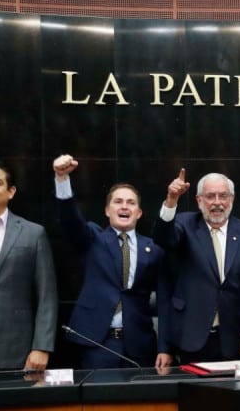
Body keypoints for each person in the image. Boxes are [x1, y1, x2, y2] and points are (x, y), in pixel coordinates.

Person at [53, 154, 172, 370]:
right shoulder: (93, 238)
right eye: (118, 202)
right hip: (97, 343)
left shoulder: (154, 249)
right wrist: (62, 179)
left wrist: (164, 347)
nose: (124, 207)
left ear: (139, 213)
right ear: (107, 211)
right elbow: (70, 221)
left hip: (140, 345)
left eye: (131, 203)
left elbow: (164, 301)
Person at [153, 168, 240, 363]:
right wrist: (171, 200)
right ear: (199, 201)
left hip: (237, 341)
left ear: (232, 199)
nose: (217, 202)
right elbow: (163, 237)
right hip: (192, 340)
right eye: (210, 196)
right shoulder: (184, 224)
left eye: (223, 196)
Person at [0, 161, 57, 371]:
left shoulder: (33, 234)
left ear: (11, 191)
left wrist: (41, 347)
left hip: (16, 352)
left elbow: (47, 296)